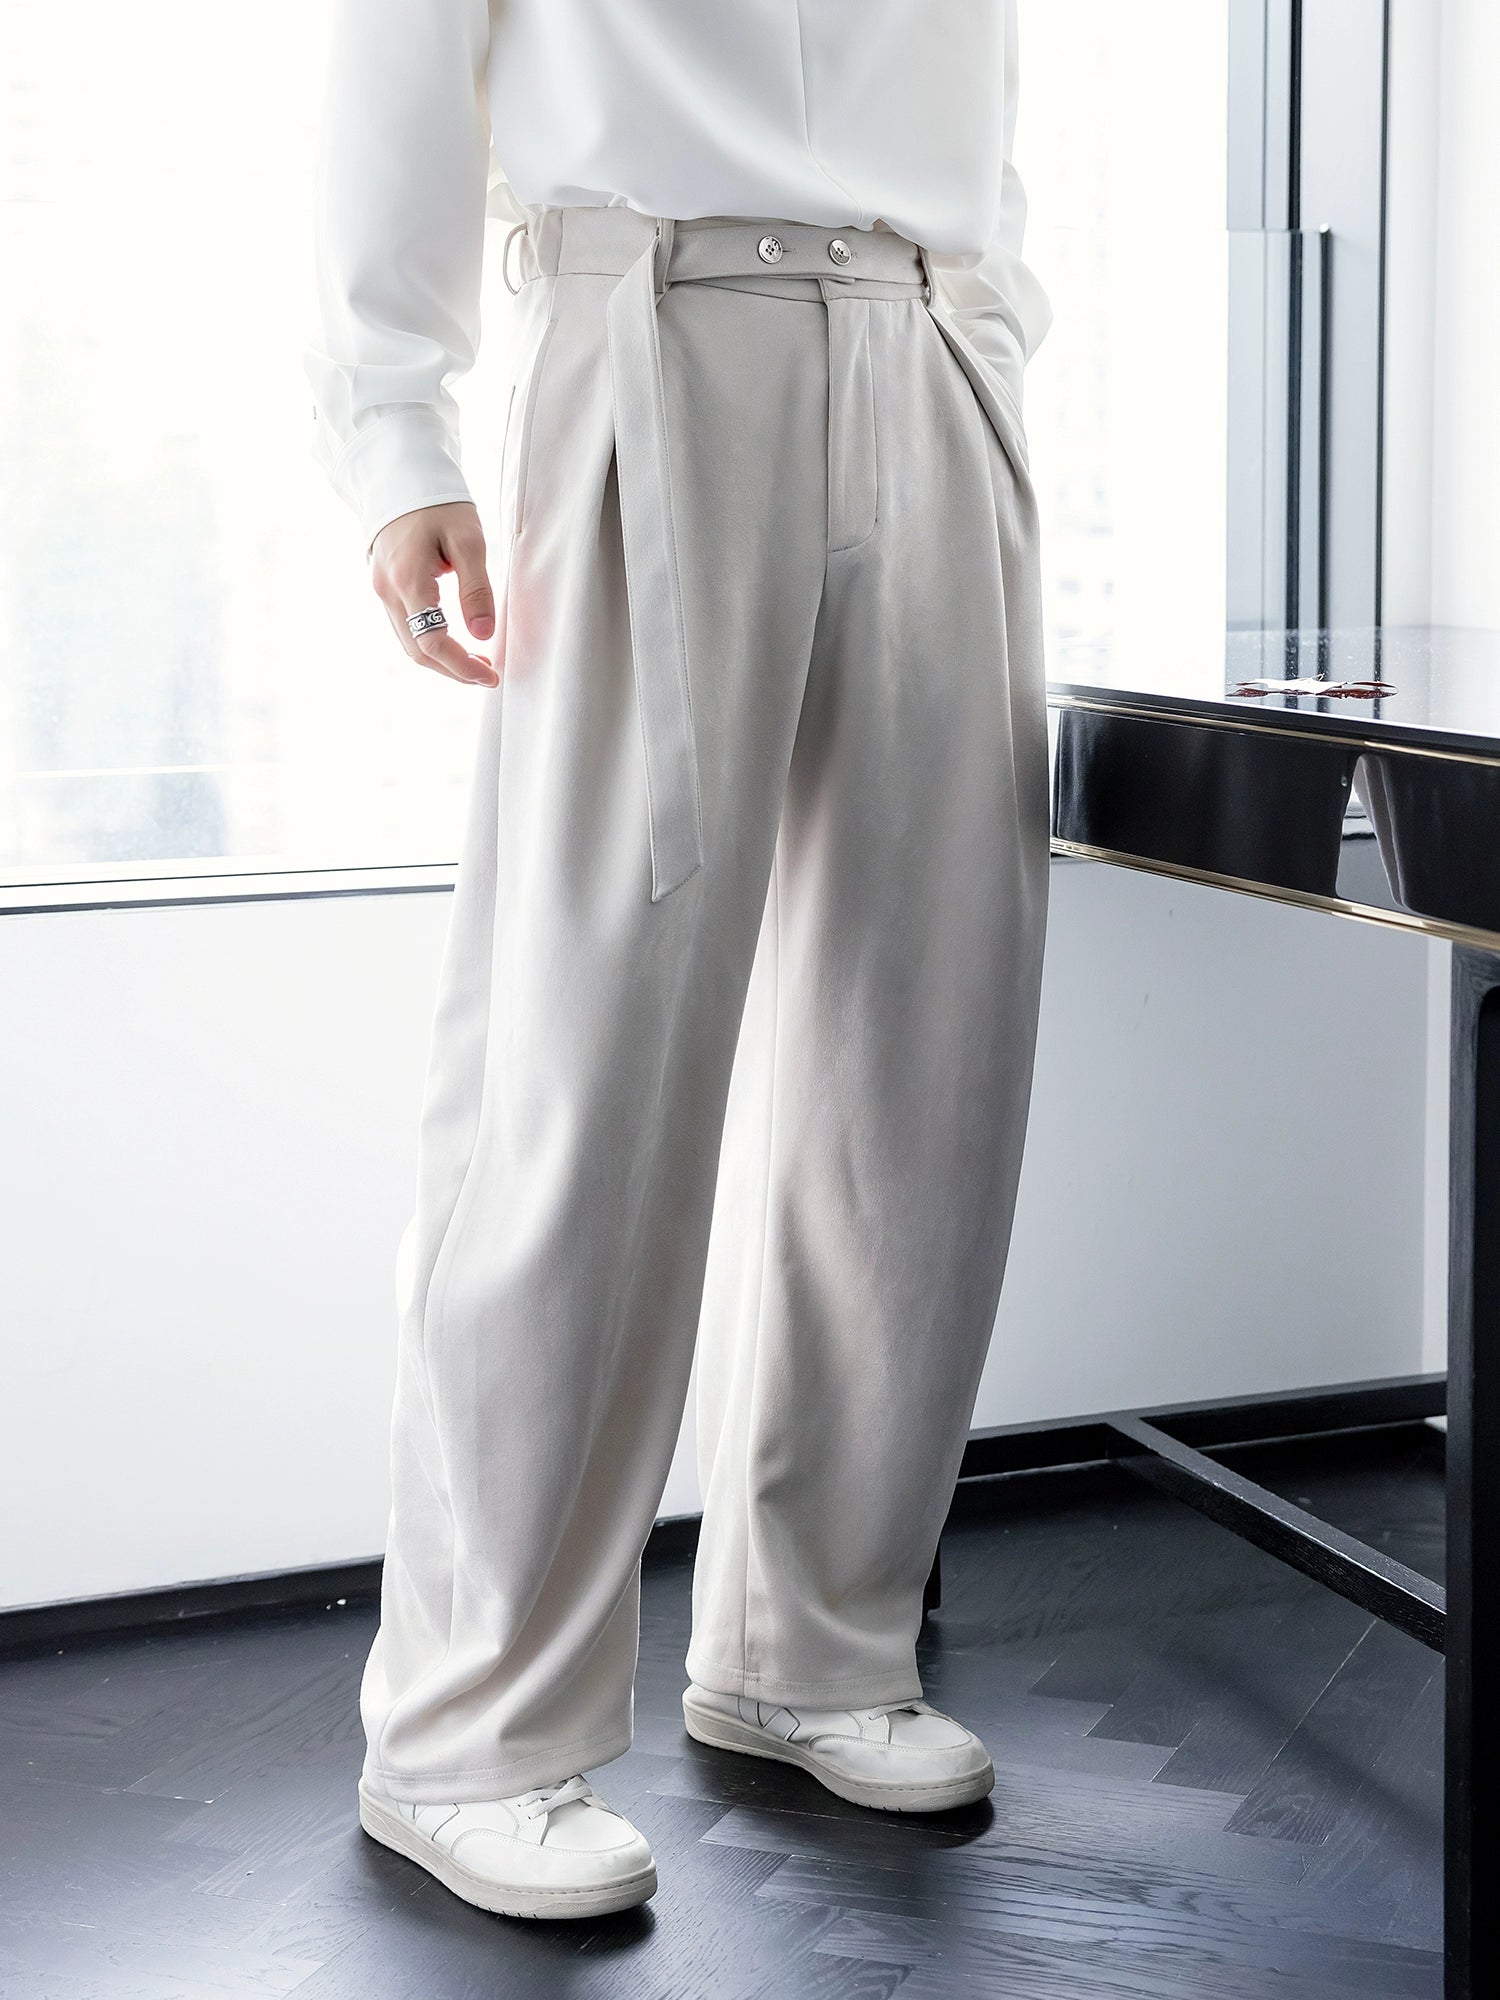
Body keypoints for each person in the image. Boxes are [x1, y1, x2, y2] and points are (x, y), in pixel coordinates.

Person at [305, 0, 1053, 1923]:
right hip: (650, 320)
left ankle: (816, 1645)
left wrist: (986, 334)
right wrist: (395, 427)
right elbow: (398, 54)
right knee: (585, 1066)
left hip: (927, 335)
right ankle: (468, 1730)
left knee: (926, 1055)